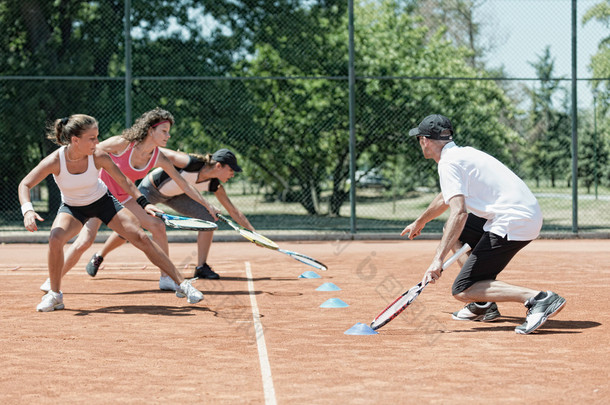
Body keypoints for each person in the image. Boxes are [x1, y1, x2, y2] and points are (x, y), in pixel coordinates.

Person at [19, 114, 203, 312]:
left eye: (97, 137)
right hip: (73, 208)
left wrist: (144, 204)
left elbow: (124, 181)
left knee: (140, 236)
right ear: (75, 140)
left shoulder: (98, 156)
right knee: (55, 237)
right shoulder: (56, 160)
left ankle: (182, 285)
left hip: (103, 202)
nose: (97, 142)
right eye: (92, 138)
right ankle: (55, 295)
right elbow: (25, 184)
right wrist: (27, 210)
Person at [401, 114, 566, 335]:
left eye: (419, 139)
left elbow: (459, 213)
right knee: (453, 233)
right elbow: (445, 198)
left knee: (462, 289)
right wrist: (420, 221)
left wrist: (437, 261)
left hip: (515, 220)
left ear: (425, 140)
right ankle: (483, 303)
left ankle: (539, 299)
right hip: (518, 213)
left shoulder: (448, 163)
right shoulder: (462, 154)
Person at [85, 148, 255, 280]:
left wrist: (253, 234)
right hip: (150, 189)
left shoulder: (214, 185)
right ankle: (99, 256)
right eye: (231, 170)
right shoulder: (189, 163)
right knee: (132, 226)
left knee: (209, 218)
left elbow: (233, 210)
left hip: (175, 196)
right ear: (219, 166)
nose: (232, 174)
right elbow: (160, 153)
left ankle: (201, 266)